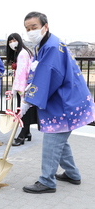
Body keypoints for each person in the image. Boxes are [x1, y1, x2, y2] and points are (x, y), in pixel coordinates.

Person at [20, 11, 95, 194]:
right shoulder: (46, 44)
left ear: (45, 27)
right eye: (27, 28)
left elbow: (48, 76)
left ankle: (47, 181)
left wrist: (28, 100)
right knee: (59, 140)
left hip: (65, 102)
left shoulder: (52, 47)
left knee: (52, 141)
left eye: (34, 27)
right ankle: (72, 174)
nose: (30, 31)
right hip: (68, 98)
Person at [6, 33, 37, 146]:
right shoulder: (23, 52)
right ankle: (27, 133)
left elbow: (21, 73)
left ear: (19, 40)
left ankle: (22, 136)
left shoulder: (22, 54)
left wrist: (15, 90)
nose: (12, 43)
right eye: (9, 41)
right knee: (26, 109)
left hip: (24, 86)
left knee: (23, 111)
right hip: (27, 85)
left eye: (14, 40)